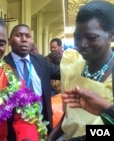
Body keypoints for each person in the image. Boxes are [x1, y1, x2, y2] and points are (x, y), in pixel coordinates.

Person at [48, 1, 114, 141]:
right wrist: (52, 136)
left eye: (91, 38)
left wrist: (106, 110)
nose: (82, 45)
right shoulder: (75, 65)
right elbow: (69, 116)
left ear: (111, 35)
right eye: (77, 37)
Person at [3, 24, 60, 134]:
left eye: (28, 36)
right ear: (9, 41)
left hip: (43, 125)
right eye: (18, 36)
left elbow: (61, 72)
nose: (24, 39)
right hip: (16, 130)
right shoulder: (3, 66)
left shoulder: (40, 61)